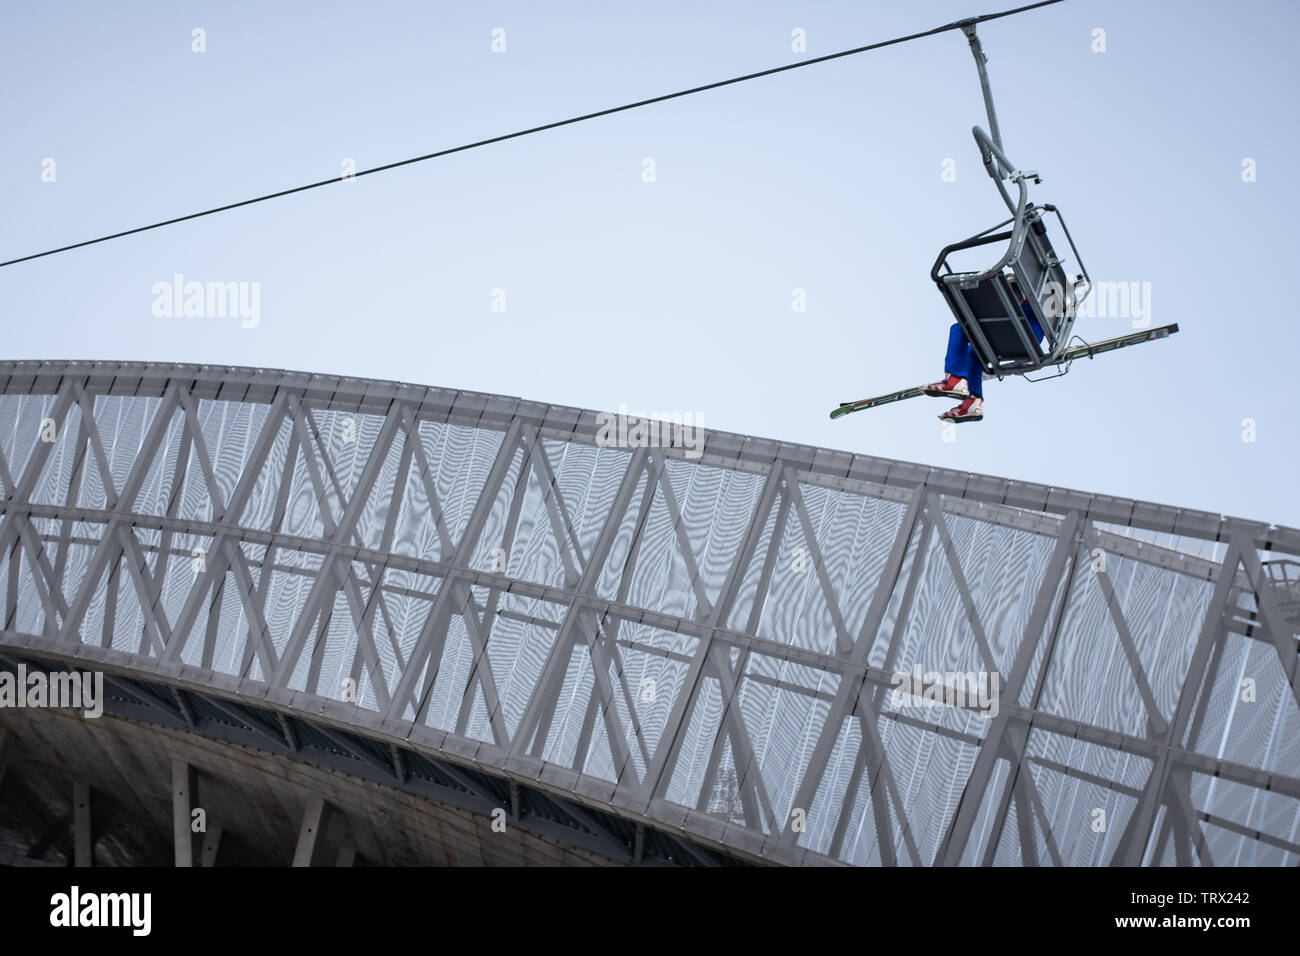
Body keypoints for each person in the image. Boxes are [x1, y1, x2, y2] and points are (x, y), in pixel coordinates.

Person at [924, 275, 1044, 423]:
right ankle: (973, 402)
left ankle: (955, 378)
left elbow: (1012, 302)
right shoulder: (1041, 300)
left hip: (1018, 333)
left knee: (961, 328)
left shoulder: (1026, 294)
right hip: (1025, 341)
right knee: (976, 352)